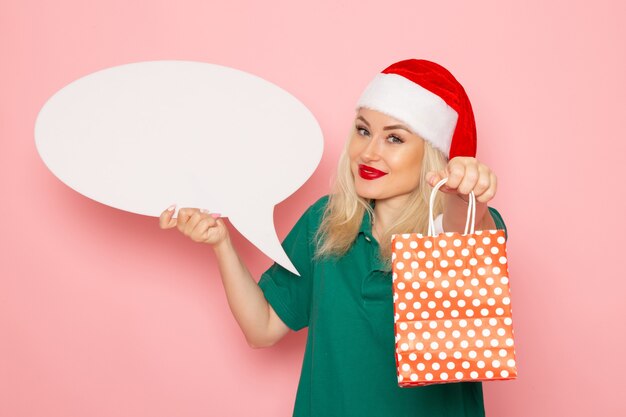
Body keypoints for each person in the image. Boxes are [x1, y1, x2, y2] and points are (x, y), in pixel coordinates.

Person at [159, 59, 505, 417]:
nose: (368, 152)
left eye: (394, 138)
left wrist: (465, 193)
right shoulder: (324, 222)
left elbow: (462, 227)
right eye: (362, 130)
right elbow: (261, 328)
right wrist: (222, 243)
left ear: (433, 154)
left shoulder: (459, 223)